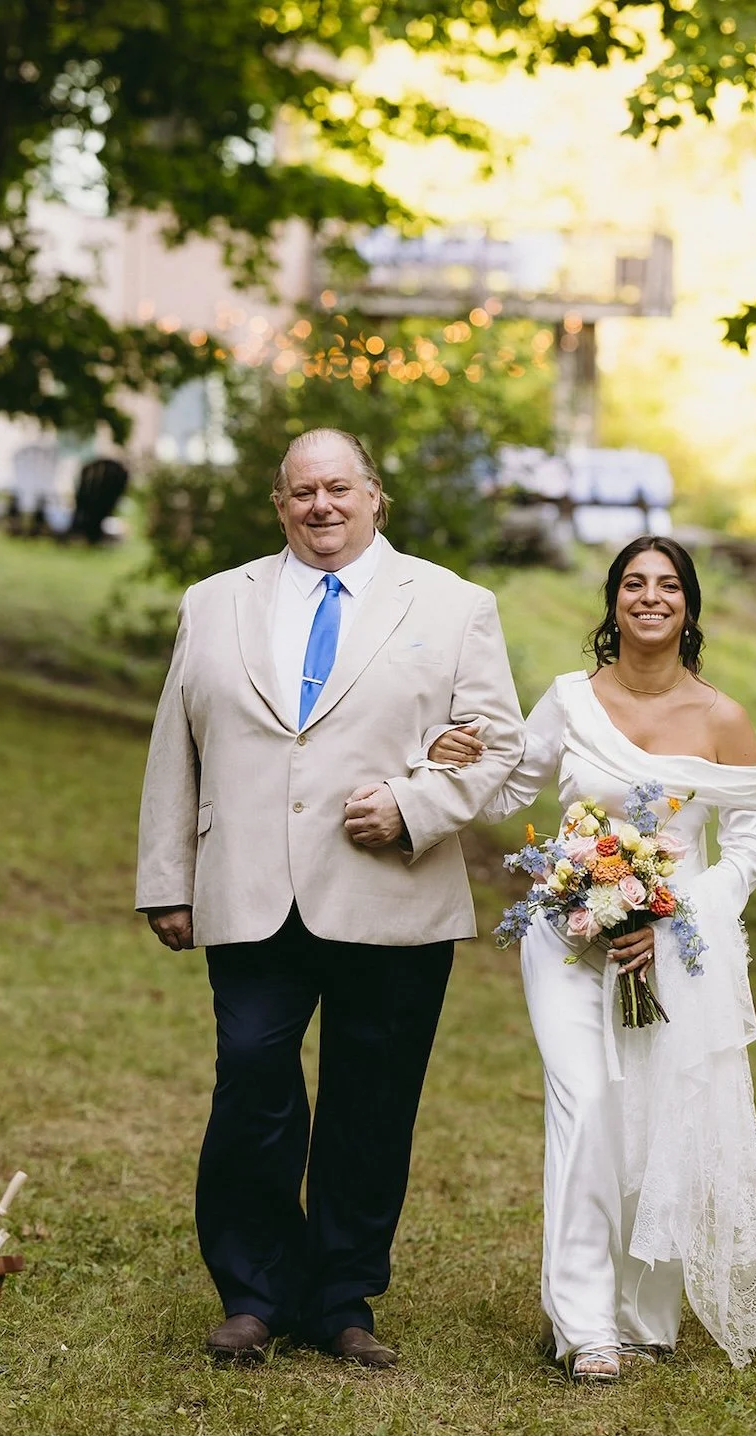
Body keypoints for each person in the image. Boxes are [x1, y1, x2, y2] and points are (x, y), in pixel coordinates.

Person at [136, 428, 525, 1366]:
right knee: (253, 1084)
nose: (322, 506)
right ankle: (254, 1293)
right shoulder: (214, 602)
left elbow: (500, 744)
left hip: (390, 894)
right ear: (280, 505)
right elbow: (173, 746)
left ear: (374, 497)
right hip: (251, 891)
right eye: (303, 492)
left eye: (339, 489)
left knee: (373, 1099)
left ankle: (345, 1297)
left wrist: (413, 802)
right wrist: (165, 879)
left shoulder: (454, 604)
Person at [427, 536, 756, 1378]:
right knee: (585, 1105)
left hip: (671, 949)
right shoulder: (568, 701)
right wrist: (452, 754)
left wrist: (669, 912)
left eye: (667, 585)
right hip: (564, 935)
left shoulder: (722, 719)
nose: (649, 597)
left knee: (652, 1118)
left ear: (689, 606)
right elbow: (516, 786)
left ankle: (644, 1313)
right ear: (613, 600)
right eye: (633, 583)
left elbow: (750, 847)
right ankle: (585, 1327)